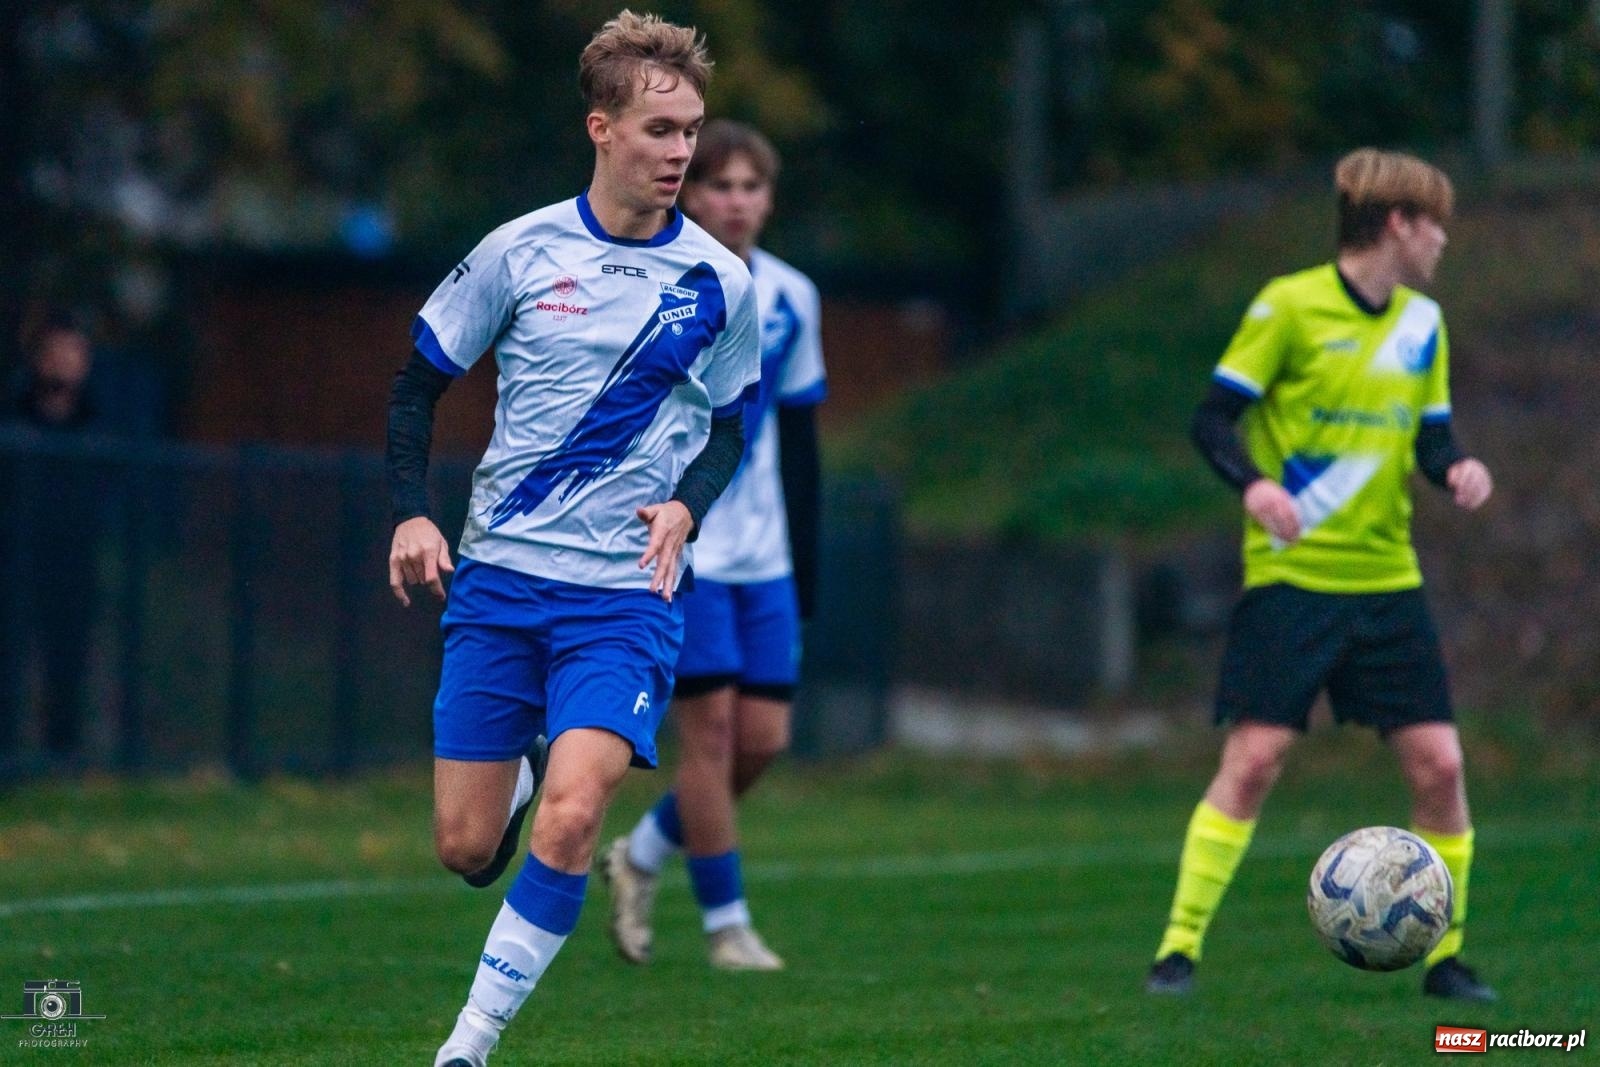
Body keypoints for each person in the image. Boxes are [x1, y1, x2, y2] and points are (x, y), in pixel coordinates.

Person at [384, 13, 759, 1066]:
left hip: (624, 598)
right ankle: (503, 781)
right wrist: (412, 510)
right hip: (501, 581)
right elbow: (419, 381)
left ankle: (465, 1046)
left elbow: (729, 427)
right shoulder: (519, 249)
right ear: (602, 129)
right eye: (658, 129)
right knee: (466, 848)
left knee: (573, 813)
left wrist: (688, 502)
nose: (681, 150)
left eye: (690, 128)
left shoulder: (722, 284)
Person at [1143, 148, 1497, 1002]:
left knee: (1441, 767)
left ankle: (1446, 959)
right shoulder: (1288, 306)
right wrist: (1256, 485)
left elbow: (1432, 438)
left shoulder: (1423, 324)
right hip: (1294, 579)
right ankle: (1178, 948)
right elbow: (1212, 420)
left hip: (1386, 580)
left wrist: (1456, 470)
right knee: (1256, 757)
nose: (1444, 239)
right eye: (1434, 223)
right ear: (1397, 226)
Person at [600, 120, 825, 972]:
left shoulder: (795, 297)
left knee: (763, 741)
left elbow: (801, 443)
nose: (735, 202)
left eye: (749, 187)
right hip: (683, 549)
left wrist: (807, 568)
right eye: (718, 185)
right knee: (712, 739)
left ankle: (644, 854)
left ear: (769, 199)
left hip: (765, 558)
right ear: (689, 193)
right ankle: (728, 925)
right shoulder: (662, 284)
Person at [4, 310, 103, 763]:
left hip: (72, 562)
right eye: (56, 353)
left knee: (67, 663)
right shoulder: (13, 414)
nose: (65, 363)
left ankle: (62, 754)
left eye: (74, 353)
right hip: (15, 558)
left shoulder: (97, 421)